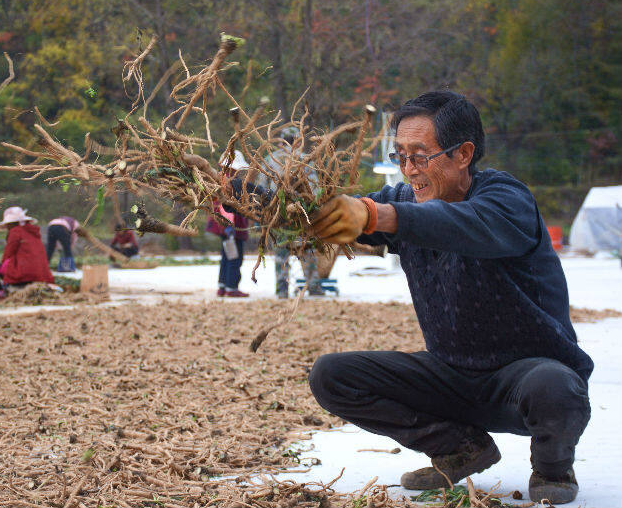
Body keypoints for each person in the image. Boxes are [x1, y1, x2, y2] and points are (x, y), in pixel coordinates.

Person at [306, 91, 591, 505]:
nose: (409, 171)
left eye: (420, 156)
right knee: (332, 375)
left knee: (556, 386)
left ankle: (552, 466)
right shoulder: (405, 202)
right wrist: (234, 191)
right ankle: (460, 447)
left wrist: (376, 216)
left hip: (523, 381)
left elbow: (464, 224)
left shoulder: (506, 200)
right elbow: (321, 209)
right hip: (450, 378)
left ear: (464, 154)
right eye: (401, 156)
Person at [254, 126, 330, 298]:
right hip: (302, 215)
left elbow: (261, 189)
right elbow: (316, 188)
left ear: (282, 141)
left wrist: (265, 210)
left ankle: (282, 290)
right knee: (307, 250)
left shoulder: (270, 160)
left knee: (282, 254)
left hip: (278, 216)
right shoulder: (305, 160)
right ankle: (314, 287)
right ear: (297, 141)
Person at [0, 207, 54, 301]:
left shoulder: (15, 232)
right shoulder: (34, 233)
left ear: (11, 224)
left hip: (22, 277)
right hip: (41, 277)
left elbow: (7, 256)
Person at [206, 150, 250, 298]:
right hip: (231, 226)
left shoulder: (218, 180)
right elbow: (225, 207)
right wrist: (229, 226)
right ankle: (232, 287)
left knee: (226, 255)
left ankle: (222, 286)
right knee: (235, 257)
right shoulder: (227, 182)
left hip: (223, 226)